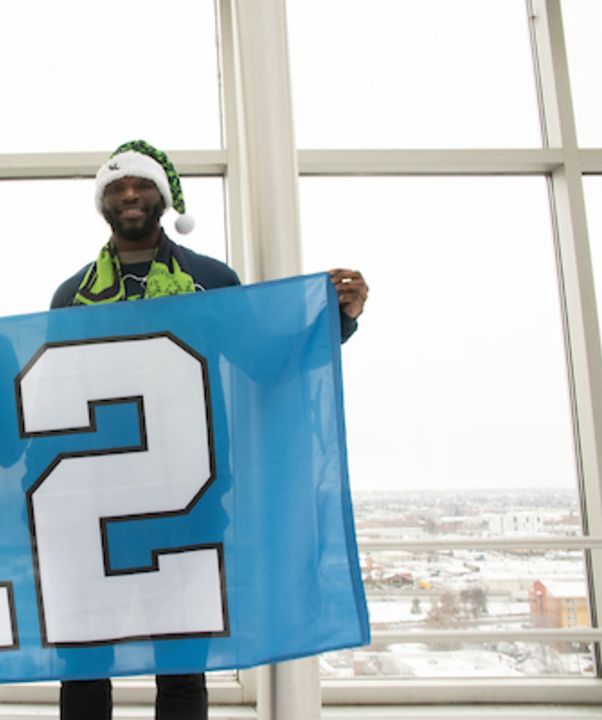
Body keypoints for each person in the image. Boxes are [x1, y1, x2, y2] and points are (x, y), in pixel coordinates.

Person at [49, 140, 369, 720]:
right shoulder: (71, 295)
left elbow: (264, 362)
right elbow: (50, 402)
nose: (129, 196)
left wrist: (336, 320)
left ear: (163, 197)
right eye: (116, 187)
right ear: (101, 202)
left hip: (188, 505)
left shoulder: (211, 279)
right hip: (94, 511)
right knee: (85, 670)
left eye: (140, 185)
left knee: (181, 671)